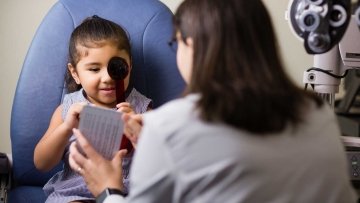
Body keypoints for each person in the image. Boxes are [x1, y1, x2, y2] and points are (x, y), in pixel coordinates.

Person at [68, 0, 358, 202]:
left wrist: (108, 191)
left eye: (176, 43)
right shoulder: (319, 114)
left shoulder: (166, 128)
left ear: (190, 45)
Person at [33, 15, 152, 203]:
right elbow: (41, 163)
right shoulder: (67, 110)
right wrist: (66, 128)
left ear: (129, 66)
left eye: (115, 67)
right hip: (76, 192)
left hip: (129, 193)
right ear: (76, 73)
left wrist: (140, 131)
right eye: (95, 69)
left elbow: (163, 162)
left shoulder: (143, 110)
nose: (107, 78)